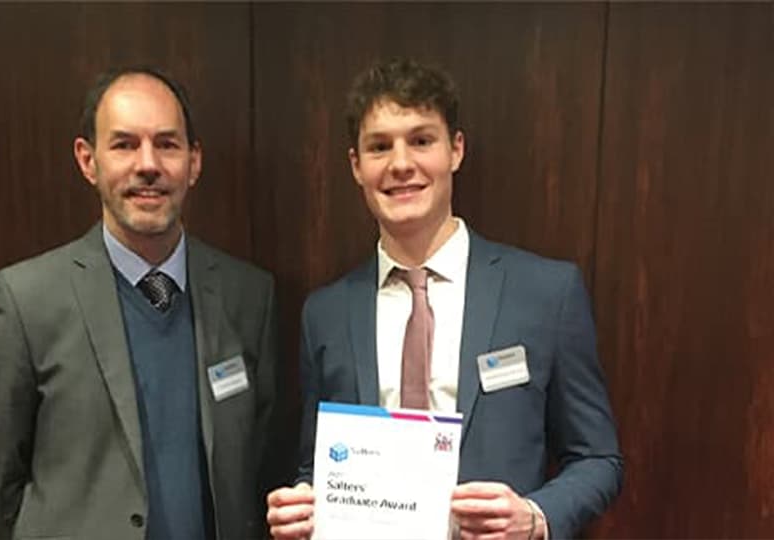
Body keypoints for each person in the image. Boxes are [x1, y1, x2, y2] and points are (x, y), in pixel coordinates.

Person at [266, 58, 622, 539]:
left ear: (456, 149)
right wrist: (303, 507)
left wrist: (535, 517)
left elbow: (599, 458)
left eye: (420, 140)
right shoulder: (325, 313)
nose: (400, 164)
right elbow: (320, 466)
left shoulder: (545, 293)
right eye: (379, 146)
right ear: (356, 166)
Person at [0, 66, 278, 540]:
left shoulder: (247, 295)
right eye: (125, 144)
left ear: (194, 162)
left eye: (167, 144)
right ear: (88, 160)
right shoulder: (26, 301)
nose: (147, 164)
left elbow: (259, 456)